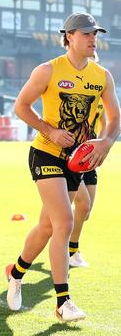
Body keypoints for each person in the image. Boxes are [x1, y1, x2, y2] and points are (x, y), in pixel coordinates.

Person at [6, 12, 119, 322]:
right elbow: (21, 106)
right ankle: (62, 303)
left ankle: (15, 273)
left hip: (76, 162)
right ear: (69, 37)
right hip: (46, 154)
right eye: (86, 34)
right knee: (64, 223)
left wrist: (107, 142)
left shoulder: (102, 76)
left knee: (46, 227)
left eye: (95, 33)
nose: (93, 38)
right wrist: (50, 130)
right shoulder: (48, 70)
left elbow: (114, 117)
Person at [69, 100, 105, 267]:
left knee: (86, 213)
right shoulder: (77, 97)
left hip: (89, 158)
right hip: (72, 157)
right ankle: (72, 250)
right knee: (83, 205)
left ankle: (61, 235)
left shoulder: (101, 100)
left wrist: (102, 144)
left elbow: (106, 122)